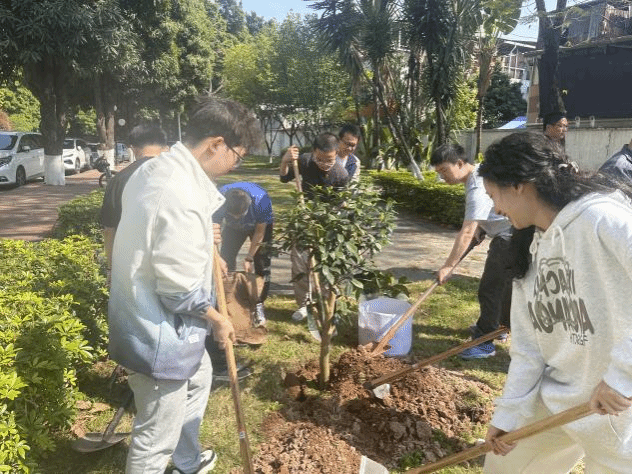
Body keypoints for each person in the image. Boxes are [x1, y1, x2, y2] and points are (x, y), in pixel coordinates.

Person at [108, 96, 261, 474]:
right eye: (237, 156)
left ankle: (187, 461)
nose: (234, 166)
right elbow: (177, 290)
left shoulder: (155, 169)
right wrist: (218, 319)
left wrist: (204, 242)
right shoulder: (180, 193)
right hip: (157, 335)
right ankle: (169, 458)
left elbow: (157, 234)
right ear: (216, 144)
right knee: (154, 438)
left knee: (201, 375)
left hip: (156, 320)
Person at [478, 131, 632, 473]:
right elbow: (529, 348)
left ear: (519, 185)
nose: (495, 208)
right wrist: (509, 414)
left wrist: (623, 375)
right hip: (558, 400)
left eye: (493, 195)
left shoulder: (603, 218)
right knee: (504, 467)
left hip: (617, 410)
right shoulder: (527, 248)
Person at [431, 143, 513, 359]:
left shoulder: (477, 185)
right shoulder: (477, 174)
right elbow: (486, 214)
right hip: (512, 231)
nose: (442, 177)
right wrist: (482, 229)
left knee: (491, 288)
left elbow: (467, 231)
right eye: (439, 172)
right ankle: (499, 328)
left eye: (444, 170)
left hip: (511, 235)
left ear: (460, 163)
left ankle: (485, 343)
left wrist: (448, 266)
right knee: (505, 286)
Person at [279, 132, 350, 321]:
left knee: (325, 264)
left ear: (337, 153)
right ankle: (303, 305)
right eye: (320, 159)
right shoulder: (304, 161)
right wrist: (285, 161)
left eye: (329, 160)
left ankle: (325, 302)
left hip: (327, 222)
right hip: (303, 219)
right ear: (313, 152)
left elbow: (340, 204)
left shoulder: (341, 174)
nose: (324, 164)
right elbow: (284, 178)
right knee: (300, 263)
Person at [100, 123, 169, 270]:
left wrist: (111, 268)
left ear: (133, 148)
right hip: (175, 265)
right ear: (164, 147)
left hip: (132, 267)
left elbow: (109, 230)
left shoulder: (119, 180)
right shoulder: (180, 175)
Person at [214, 182, 274, 326]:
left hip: (258, 227)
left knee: (262, 263)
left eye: (240, 215)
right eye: (233, 216)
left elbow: (260, 232)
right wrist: (217, 257)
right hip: (232, 229)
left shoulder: (261, 201)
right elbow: (213, 230)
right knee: (226, 260)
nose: (237, 218)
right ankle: (227, 300)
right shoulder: (218, 199)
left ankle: (258, 304)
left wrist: (249, 257)